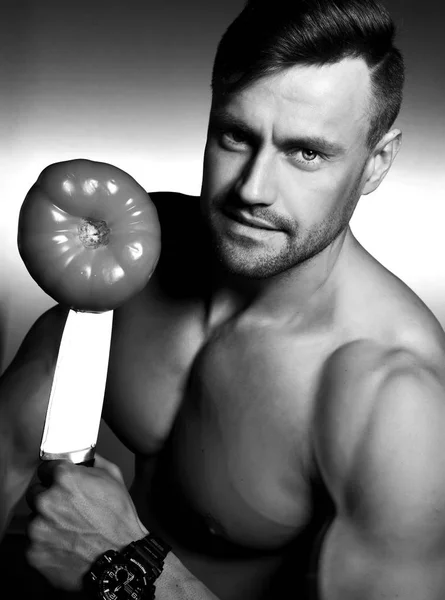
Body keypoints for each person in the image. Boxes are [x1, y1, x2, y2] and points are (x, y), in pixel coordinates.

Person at [2, 0, 445, 598]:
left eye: (306, 152)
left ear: (377, 163)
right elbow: (10, 457)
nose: (253, 190)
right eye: (235, 135)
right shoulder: (140, 250)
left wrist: (124, 566)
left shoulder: (394, 399)